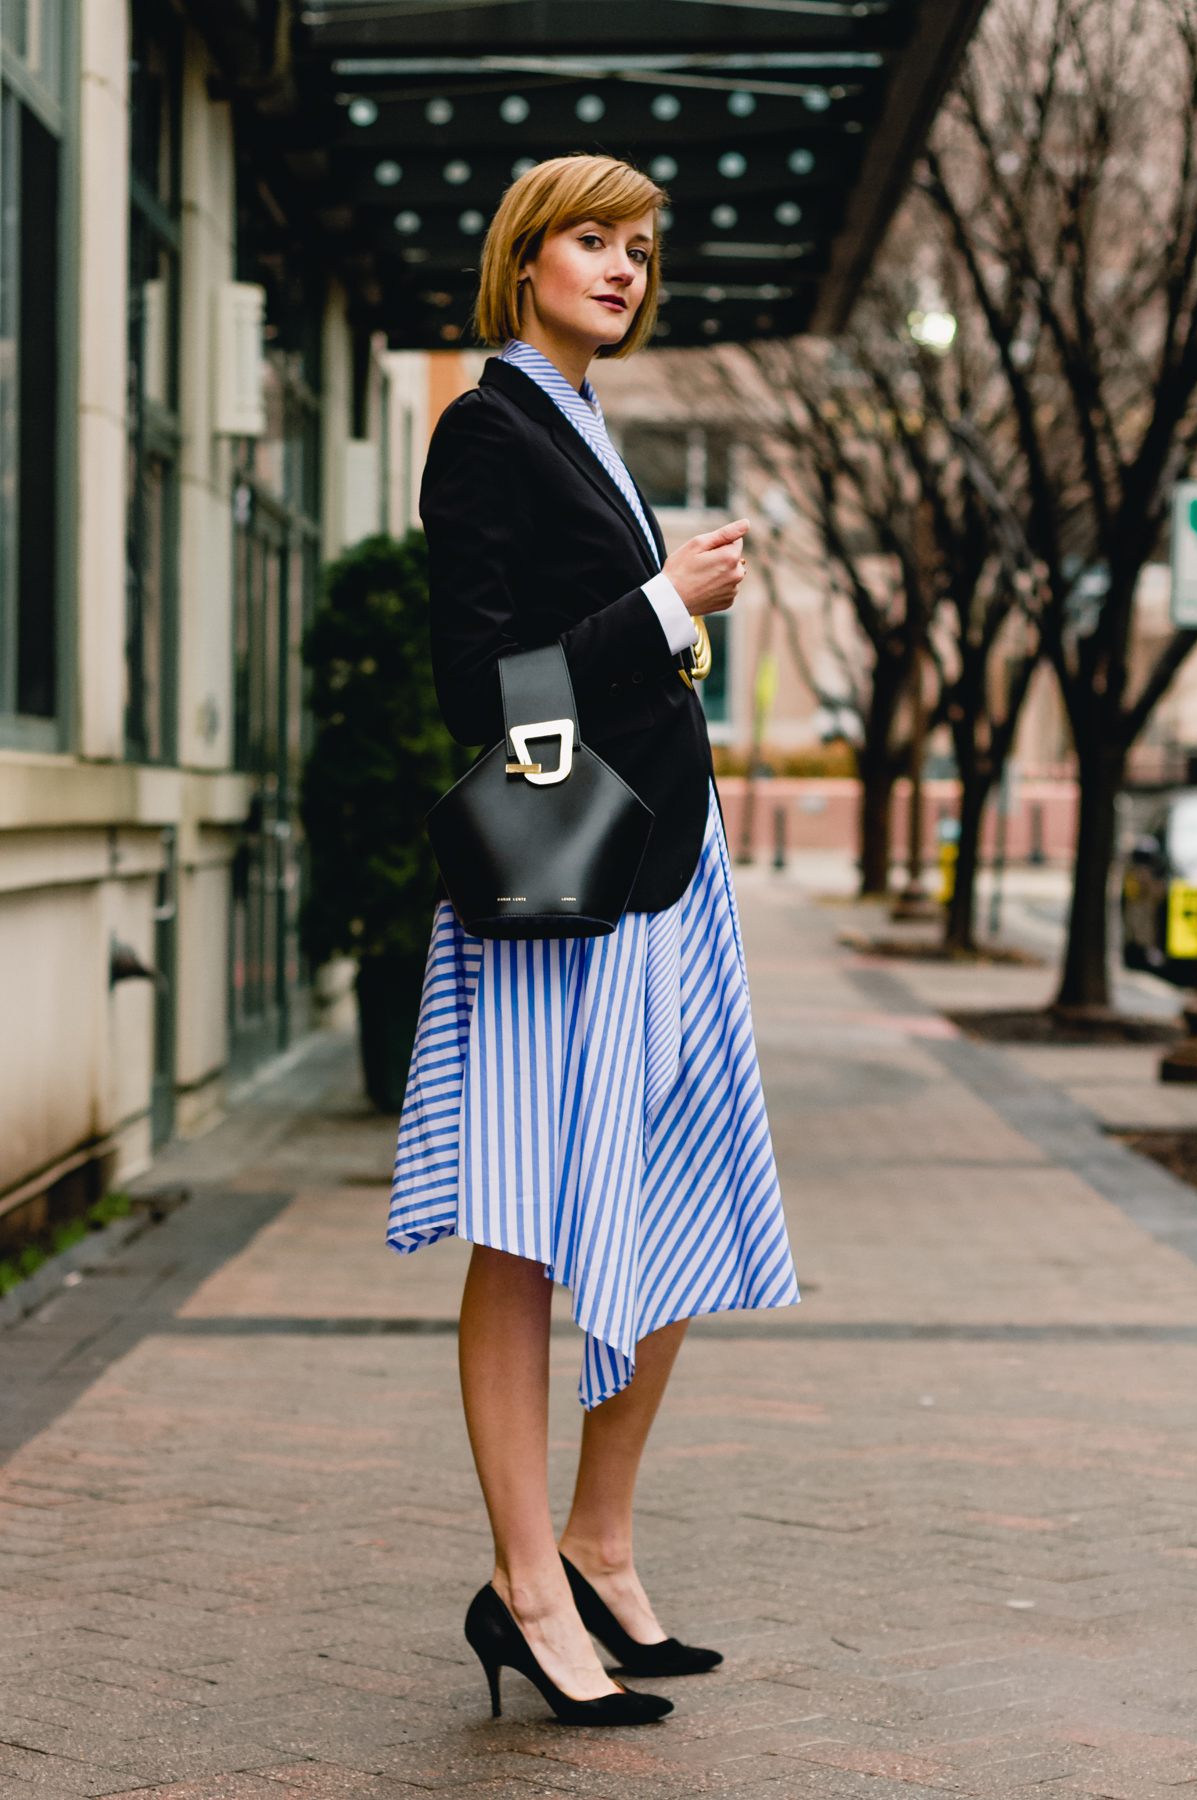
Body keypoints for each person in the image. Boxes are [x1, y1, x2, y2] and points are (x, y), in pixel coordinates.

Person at [388, 153, 800, 1727]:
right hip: (558, 902)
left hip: (656, 888)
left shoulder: (581, 422)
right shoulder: (486, 430)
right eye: (592, 242)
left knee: (678, 1202)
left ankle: (602, 1542)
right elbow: (482, 693)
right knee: (524, 1231)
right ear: (525, 257)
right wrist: (666, 604)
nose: (625, 269)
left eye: (639, 248)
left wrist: (662, 617)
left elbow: (602, 658)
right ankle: (529, 1589)